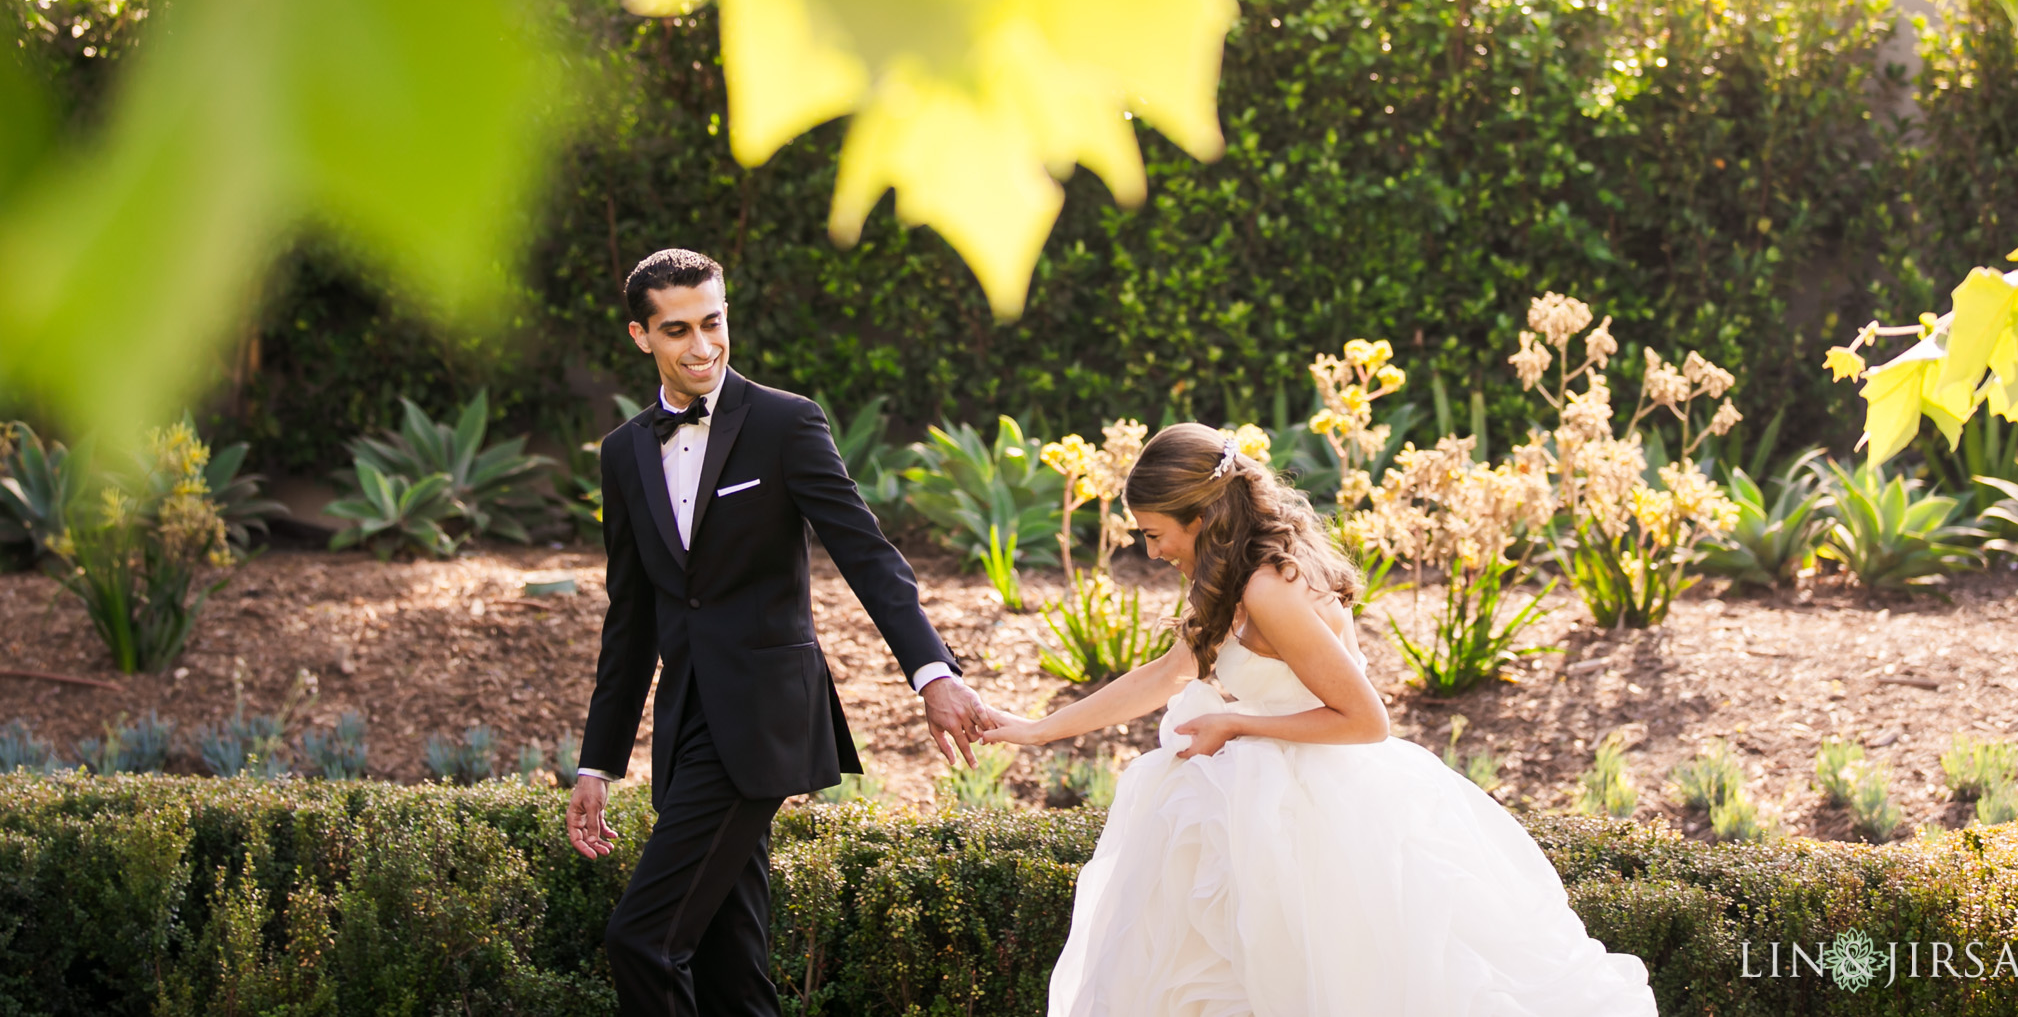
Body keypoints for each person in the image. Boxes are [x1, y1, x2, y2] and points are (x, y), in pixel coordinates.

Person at [979, 422, 1659, 1017]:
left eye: (1155, 534)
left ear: (1200, 516)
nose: (1150, 551)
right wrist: (1036, 729)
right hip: (1253, 799)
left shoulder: (1267, 589)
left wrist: (1239, 726)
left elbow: (1367, 720)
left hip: (1319, 811)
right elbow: (1165, 674)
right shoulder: (1229, 576)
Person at [567, 247, 994, 1016]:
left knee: (643, 938)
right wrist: (599, 759)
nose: (702, 346)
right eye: (678, 331)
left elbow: (866, 552)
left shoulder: (784, 422)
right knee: (735, 974)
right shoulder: (624, 452)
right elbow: (629, 617)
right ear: (641, 336)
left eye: (714, 322)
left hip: (763, 716)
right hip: (687, 722)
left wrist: (932, 671)